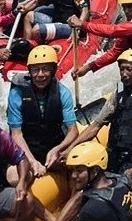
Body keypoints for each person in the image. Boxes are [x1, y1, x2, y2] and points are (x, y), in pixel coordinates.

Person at [62, 49, 132, 178]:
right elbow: (96, 125)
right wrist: (70, 148)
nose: (124, 74)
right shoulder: (118, 94)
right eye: (122, 69)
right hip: (115, 155)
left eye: (129, 69)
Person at [8, 45, 79, 178]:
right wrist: (32, 161)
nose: (40, 75)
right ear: (29, 71)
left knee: (77, 171)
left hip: (53, 147)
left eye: (46, 69)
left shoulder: (63, 93)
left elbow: (73, 131)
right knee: (13, 177)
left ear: (53, 71)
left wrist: (57, 150)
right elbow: (16, 134)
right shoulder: (17, 93)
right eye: (35, 70)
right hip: (27, 149)